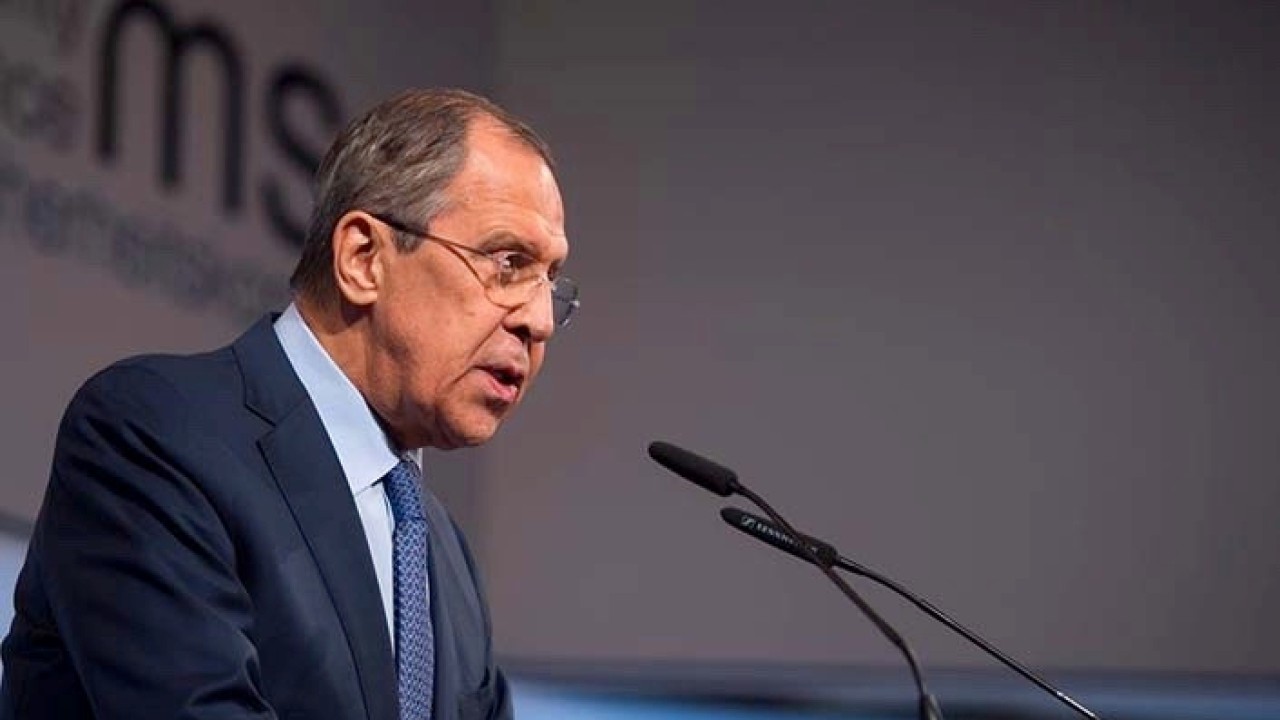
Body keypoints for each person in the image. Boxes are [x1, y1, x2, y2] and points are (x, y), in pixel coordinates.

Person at [0, 88, 577, 720]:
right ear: (363, 259)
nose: (540, 320)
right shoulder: (153, 437)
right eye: (508, 263)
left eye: (551, 283)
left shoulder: (444, 556)